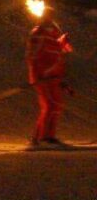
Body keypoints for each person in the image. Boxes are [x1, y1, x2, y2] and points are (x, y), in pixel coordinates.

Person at [26, 10, 74, 148]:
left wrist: (63, 41)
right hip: (43, 77)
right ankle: (42, 138)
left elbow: (58, 51)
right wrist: (37, 74)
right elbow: (33, 55)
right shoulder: (37, 33)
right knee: (49, 105)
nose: (51, 19)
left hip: (54, 77)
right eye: (48, 16)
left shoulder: (52, 33)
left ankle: (49, 137)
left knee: (56, 105)